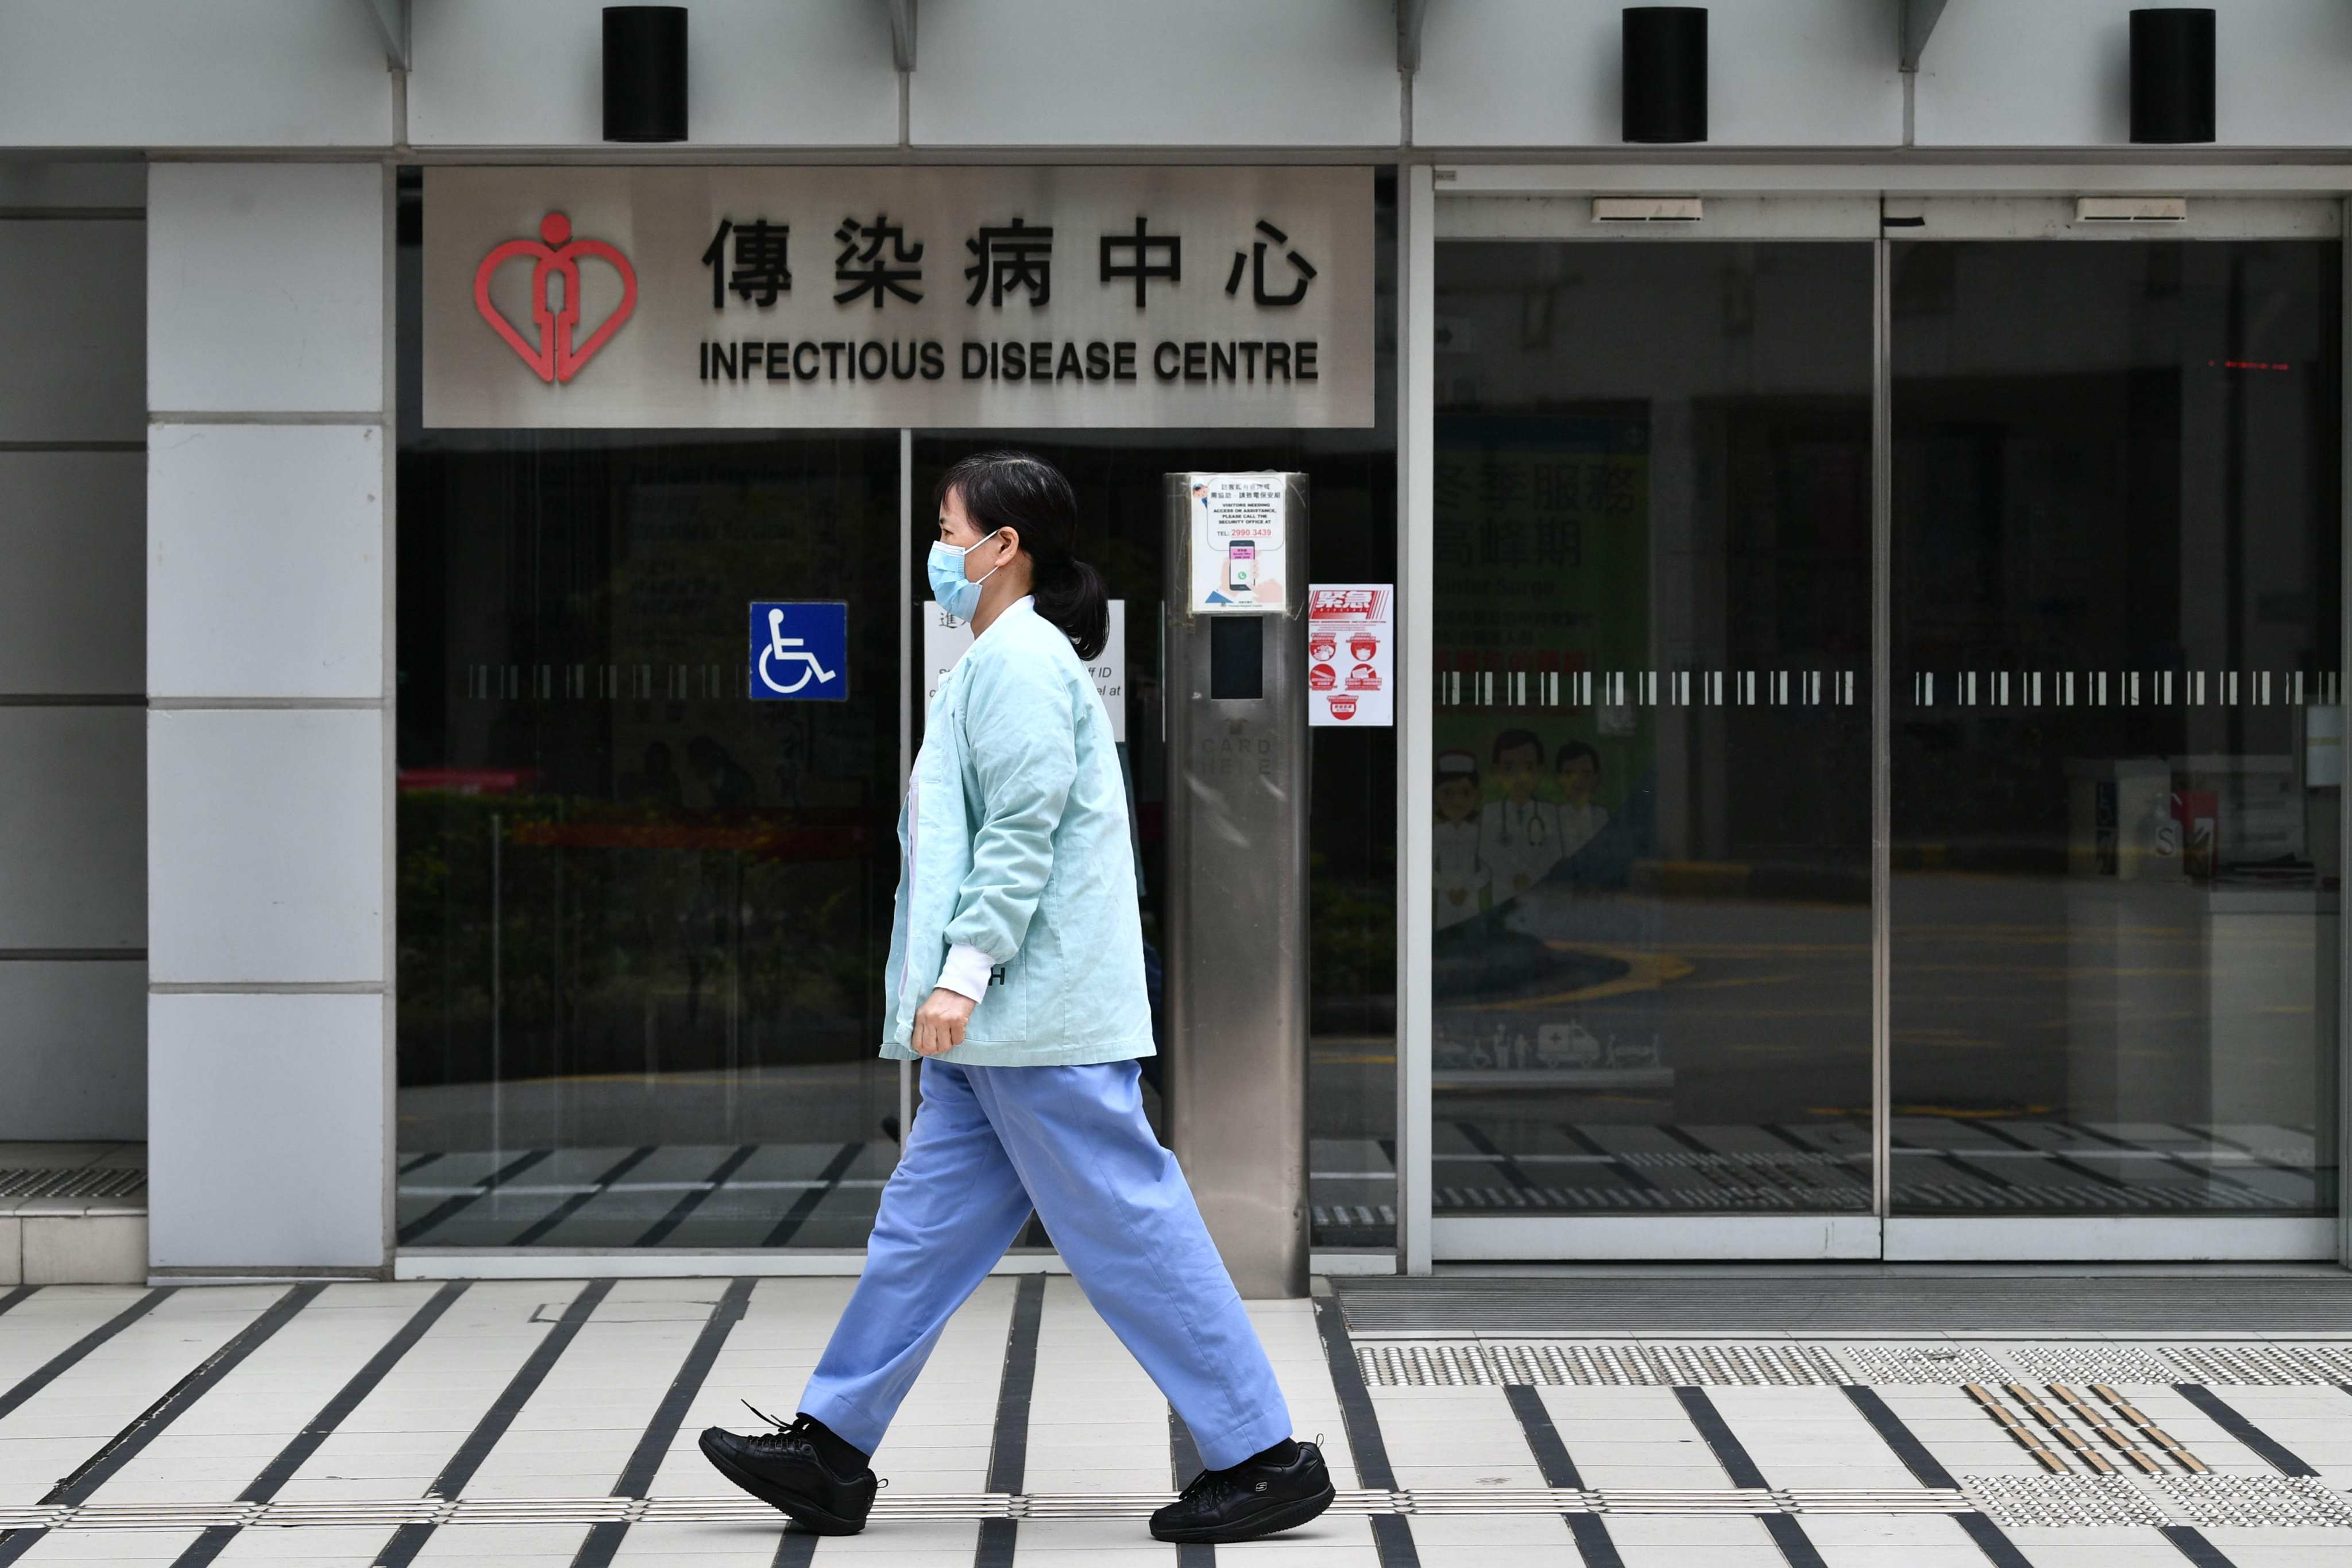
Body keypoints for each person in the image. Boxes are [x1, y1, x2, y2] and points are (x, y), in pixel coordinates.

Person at [699, 451, 1333, 1546]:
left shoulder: (1025, 662)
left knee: (1131, 1231)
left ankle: (1263, 1454)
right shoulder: (999, 658)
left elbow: (1019, 836)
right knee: (923, 1234)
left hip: (1036, 1019)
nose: (937, 553)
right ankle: (833, 1447)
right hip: (1004, 1032)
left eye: (949, 532)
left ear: (1004, 549)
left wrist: (961, 973)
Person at [1478, 728, 1561, 900]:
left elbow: (1555, 853)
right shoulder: (1491, 813)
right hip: (1504, 892)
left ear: (1541, 771)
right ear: (1496, 772)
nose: (1520, 776)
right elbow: (1487, 853)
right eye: (1509, 768)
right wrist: (1512, 877)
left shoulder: (1550, 812)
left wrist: (1531, 876)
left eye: (1529, 767)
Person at [1432, 749, 1489, 929]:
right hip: (1445, 898)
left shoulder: (1479, 833)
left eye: (1465, 793)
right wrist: (1447, 889)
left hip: (1471, 898)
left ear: (1477, 796)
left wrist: (1468, 888)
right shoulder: (1436, 833)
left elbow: (1487, 867)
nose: (1457, 801)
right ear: (1436, 796)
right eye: (1448, 793)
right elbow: (1427, 868)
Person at [1555, 740, 1609, 860]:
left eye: (1586, 774)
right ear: (1560, 778)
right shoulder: (1553, 817)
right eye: (1569, 774)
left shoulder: (1603, 816)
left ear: (1597, 778)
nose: (1577, 781)